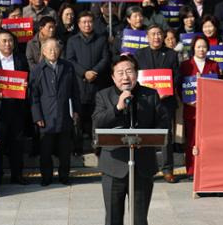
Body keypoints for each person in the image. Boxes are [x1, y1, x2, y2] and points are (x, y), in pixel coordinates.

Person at [93, 54, 169, 225]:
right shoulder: (103, 96)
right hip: (113, 164)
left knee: (140, 219)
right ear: (113, 77)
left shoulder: (150, 95)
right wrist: (118, 107)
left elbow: (163, 123)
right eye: (120, 73)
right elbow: (98, 122)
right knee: (113, 218)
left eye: (129, 71)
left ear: (136, 73)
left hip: (143, 165)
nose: (125, 76)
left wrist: (148, 139)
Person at [29, 38, 80, 186]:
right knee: (45, 151)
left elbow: (75, 91)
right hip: (45, 116)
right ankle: (46, 177)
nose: (53, 52)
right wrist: (37, 116)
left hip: (64, 114)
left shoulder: (68, 67)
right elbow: (34, 96)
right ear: (43, 51)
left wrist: (76, 110)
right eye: (50, 49)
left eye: (56, 49)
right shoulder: (37, 70)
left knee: (65, 150)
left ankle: (64, 176)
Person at [0, 30, 29, 185]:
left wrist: (26, 85)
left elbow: (27, 78)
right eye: (4, 41)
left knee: (17, 143)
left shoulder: (21, 59)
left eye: (10, 41)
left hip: (17, 107)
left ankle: (17, 175)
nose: (8, 44)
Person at [133, 24, 179, 183]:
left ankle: (168, 170)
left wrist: (167, 90)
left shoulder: (172, 54)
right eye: (153, 34)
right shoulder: (139, 54)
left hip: (166, 101)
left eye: (159, 34)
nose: (156, 37)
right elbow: (137, 78)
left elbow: (177, 77)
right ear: (147, 36)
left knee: (166, 135)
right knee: (146, 135)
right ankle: (148, 168)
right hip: (146, 101)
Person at [65, 11, 110, 153]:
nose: (87, 24)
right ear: (78, 24)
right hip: (79, 85)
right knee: (77, 119)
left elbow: (105, 59)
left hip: (97, 84)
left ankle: (97, 146)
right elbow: (70, 60)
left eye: (89, 21)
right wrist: (84, 73)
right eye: (83, 22)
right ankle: (77, 147)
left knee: (97, 118)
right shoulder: (72, 40)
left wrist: (94, 72)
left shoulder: (101, 39)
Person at [178, 35, 220, 177]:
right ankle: (191, 170)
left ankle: (206, 168)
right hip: (191, 109)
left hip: (208, 110)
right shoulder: (185, 65)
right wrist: (187, 101)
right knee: (191, 140)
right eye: (198, 47)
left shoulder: (214, 65)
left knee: (206, 141)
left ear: (207, 49)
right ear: (193, 48)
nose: (201, 49)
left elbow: (217, 87)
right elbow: (180, 87)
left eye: (204, 47)